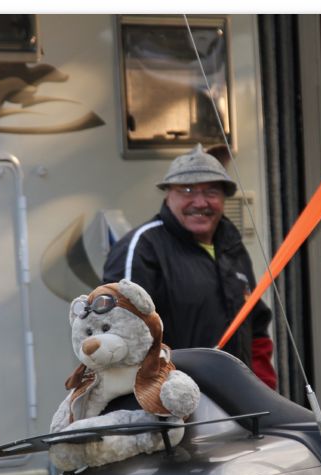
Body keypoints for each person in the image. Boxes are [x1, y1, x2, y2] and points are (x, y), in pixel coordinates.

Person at [102, 144, 278, 389]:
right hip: (173, 408)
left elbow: (256, 327)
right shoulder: (142, 248)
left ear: (224, 198)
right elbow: (121, 335)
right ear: (168, 195)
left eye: (211, 192)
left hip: (238, 403)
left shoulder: (232, 247)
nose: (200, 202)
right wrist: (152, 407)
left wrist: (262, 391)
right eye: (187, 190)